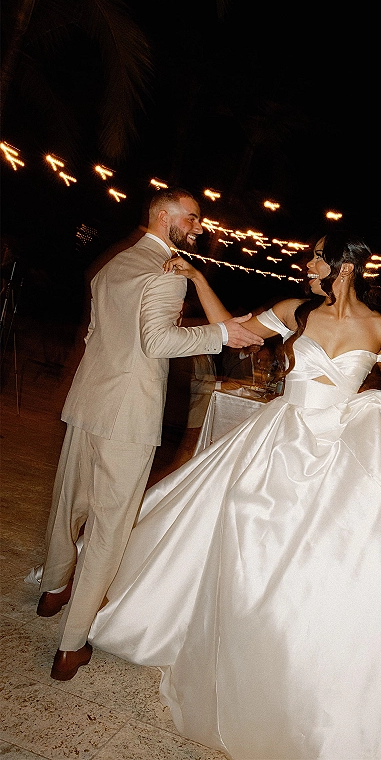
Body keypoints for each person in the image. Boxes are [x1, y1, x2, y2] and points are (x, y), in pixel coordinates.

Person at [89, 231, 381, 760]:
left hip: (343, 448)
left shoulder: (380, 329)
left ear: (343, 268)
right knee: (246, 524)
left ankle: (317, 666)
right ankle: (232, 640)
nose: (307, 264)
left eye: (316, 258)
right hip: (280, 438)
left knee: (338, 556)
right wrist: (197, 279)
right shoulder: (295, 310)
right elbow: (234, 333)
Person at [36, 186, 262, 682]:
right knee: (108, 528)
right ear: (164, 215)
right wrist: (222, 334)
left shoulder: (113, 265)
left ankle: (53, 589)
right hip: (128, 416)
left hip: (88, 401)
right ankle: (71, 645)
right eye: (193, 217)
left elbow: (98, 336)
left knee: (68, 501)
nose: (199, 226)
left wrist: (213, 320)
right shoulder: (166, 274)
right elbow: (158, 341)